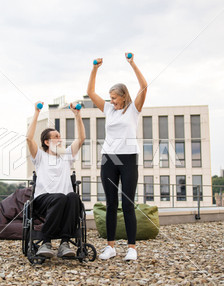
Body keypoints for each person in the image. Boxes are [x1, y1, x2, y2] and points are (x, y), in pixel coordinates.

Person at [87, 53, 147, 261]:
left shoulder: (133, 109)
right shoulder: (108, 109)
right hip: (108, 159)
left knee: (127, 203)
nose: (111, 101)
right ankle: (110, 247)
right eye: (110, 98)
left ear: (123, 96)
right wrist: (95, 68)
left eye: (114, 98)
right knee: (111, 203)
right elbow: (90, 92)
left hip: (128, 158)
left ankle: (132, 248)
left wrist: (132, 64)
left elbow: (144, 87)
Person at [26, 101, 86, 258]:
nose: (60, 139)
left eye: (60, 137)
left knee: (73, 197)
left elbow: (81, 138)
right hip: (43, 200)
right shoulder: (40, 156)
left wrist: (77, 115)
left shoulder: (66, 156)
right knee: (59, 197)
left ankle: (65, 243)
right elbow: (28, 138)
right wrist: (36, 113)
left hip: (64, 200)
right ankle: (46, 242)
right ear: (47, 142)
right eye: (56, 137)